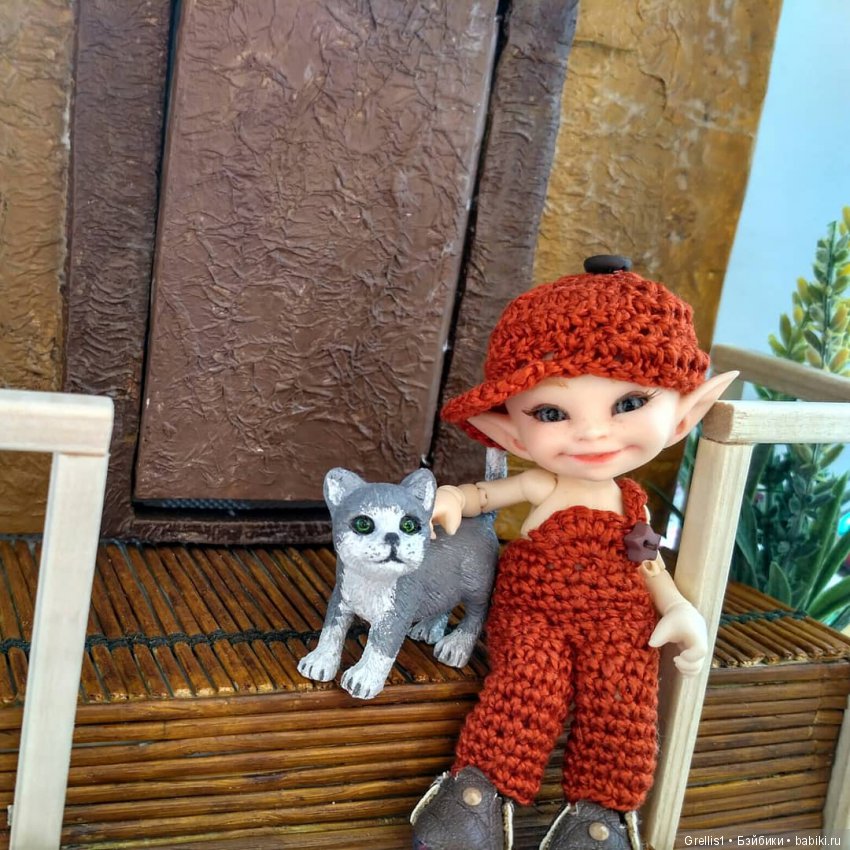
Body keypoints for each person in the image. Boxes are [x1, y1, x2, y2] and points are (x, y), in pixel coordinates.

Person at [410, 256, 738, 850]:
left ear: (684, 415)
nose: (591, 434)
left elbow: (649, 565)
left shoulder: (631, 504)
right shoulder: (544, 483)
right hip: (534, 614)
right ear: (511, 431)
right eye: (551, 413)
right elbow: (484, 495)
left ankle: (599, 819)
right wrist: (454, 497)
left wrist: (677, 608)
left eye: (629, 404)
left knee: (623, 697)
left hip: (621, 621)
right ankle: (474, 796)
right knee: (528, 683)